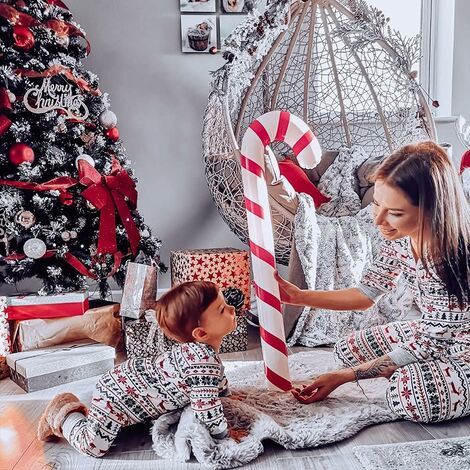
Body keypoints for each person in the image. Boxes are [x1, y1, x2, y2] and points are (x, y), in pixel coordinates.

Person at [276, 141, 470, 423]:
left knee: (411, 394)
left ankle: (427, 376)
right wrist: (300, 296)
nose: (378, 220)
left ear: (432, 210)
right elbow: (366, 293)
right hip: (436, 334)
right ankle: (418, 369)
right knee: (347, 350)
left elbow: (428, 344)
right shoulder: (403, 238)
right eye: (378, 204)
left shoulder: (450, 258)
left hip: (457, 346)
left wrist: (346, 378)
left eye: (394, 212)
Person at [37, 281, 247, 457]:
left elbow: (215, 379)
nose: (231, 309)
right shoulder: (201, 361)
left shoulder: (203, 356)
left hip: (129, 381)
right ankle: (65, 414)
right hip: (116, 396)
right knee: (94, 447)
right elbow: (206, 409)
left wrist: (226, 395)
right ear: (200, 333)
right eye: (222, 309)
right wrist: (225, 436)